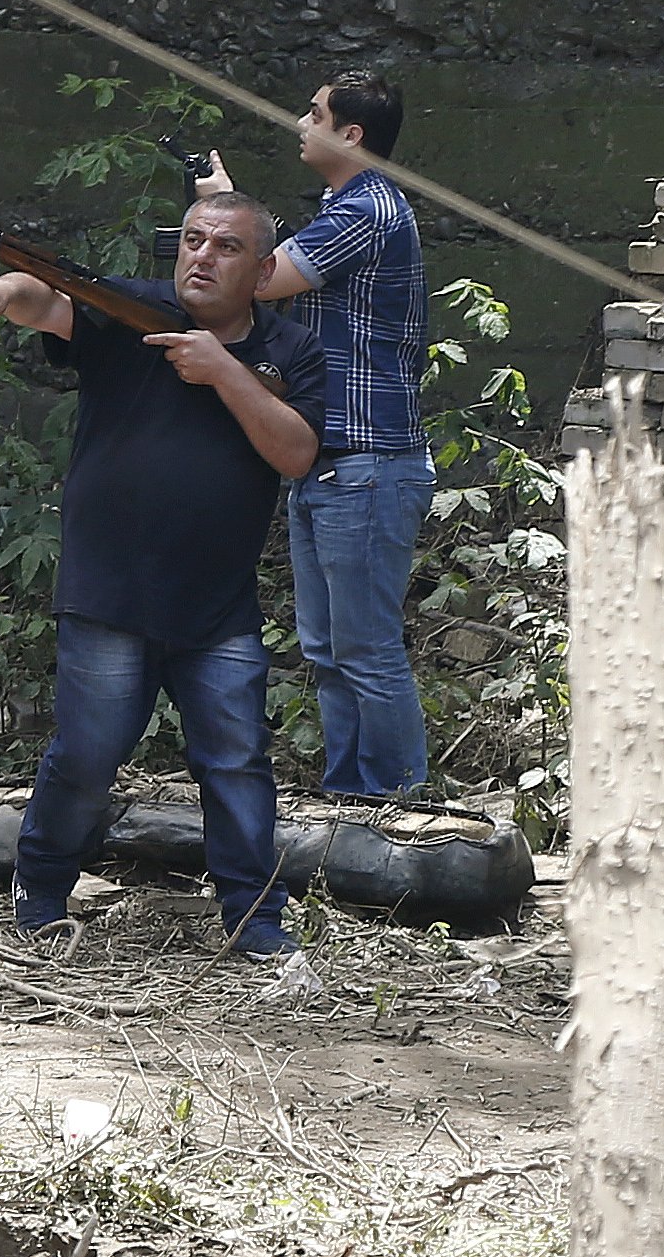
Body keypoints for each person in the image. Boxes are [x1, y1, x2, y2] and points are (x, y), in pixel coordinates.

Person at [0, 192, 327, 957]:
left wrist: (223, 371)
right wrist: (2, 291)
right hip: (108, 591)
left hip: (217, 607)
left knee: (238, 764)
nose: (202, 256)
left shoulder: (290, 350)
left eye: (224, 246)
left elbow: (296, 453)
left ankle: (256, 921)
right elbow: (47, 298)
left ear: (261, 270)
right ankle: (40, 895)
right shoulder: (130, 310)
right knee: (86, 754)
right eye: (192, 240)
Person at [199, 70, 433, 799]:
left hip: (367, 462)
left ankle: (399, 810)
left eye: (314, 112)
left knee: (364, 652)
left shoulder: (366, 208)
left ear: (350, 134)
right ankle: (351, 801)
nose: (301, 121)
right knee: (329, 651)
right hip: (331, 464)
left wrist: (218, 213)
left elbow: (261, 280)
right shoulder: (345, 206)